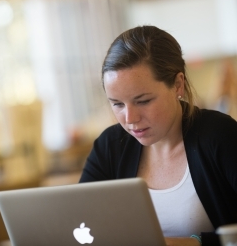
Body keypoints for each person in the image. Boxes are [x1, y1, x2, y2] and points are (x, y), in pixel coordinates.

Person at [79, 25, 237, 246]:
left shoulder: (221, 136)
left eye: (143, 101)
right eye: (117, 104)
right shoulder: (109, 146)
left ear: (178, 85)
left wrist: (193, 243)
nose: (130, 118)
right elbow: (78, 223)